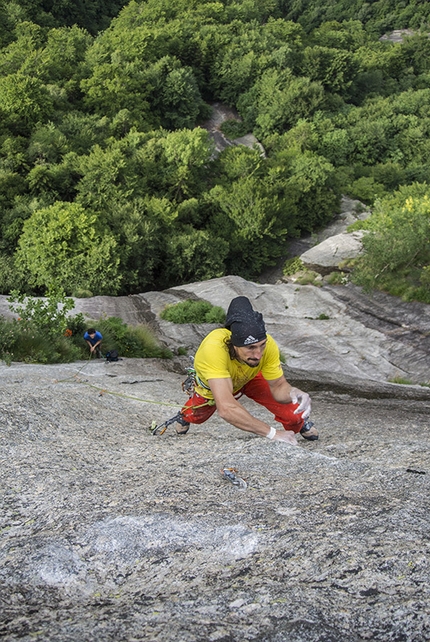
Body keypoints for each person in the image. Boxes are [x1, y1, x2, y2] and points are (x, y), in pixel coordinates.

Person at [177, 296, 318, 445]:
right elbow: (226, 408)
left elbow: (278, 387)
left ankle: (301, 424)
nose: (258, 354)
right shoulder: (214, 348)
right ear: (234, 344)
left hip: (250, 377)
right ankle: (184, 416)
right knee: (197, 415)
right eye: (250, 348)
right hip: (217, 382)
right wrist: (273, 434)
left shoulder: (268, 345)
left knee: (295, 414)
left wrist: (293, 391)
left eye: (261, 345)